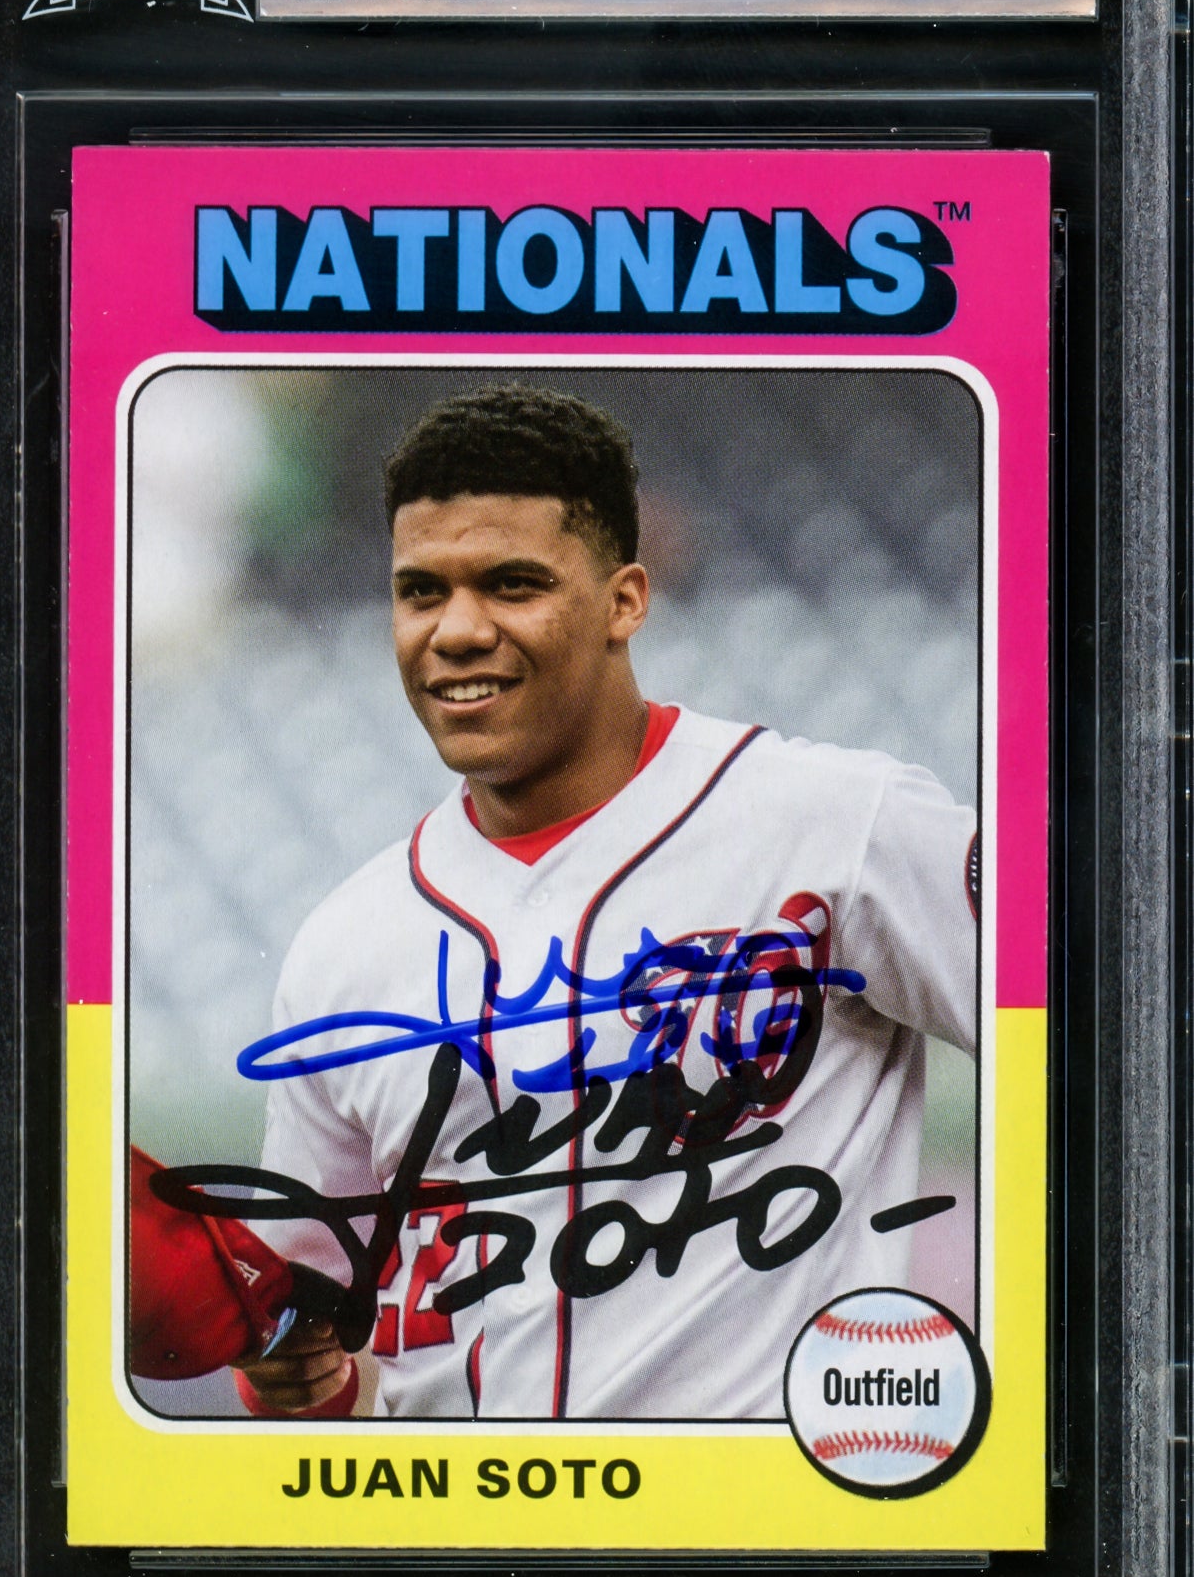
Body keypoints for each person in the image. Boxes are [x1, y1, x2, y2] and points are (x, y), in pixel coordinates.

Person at [232, 383, 976, 1421]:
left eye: (512, 584)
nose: (456, 630)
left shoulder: (843, 825)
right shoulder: (345, 946)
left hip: (769, 1508)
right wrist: (285, 1364)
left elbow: (1101, 1056)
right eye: (420, 591)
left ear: (625, 600)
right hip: (457, 1514)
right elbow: (305, 1335)